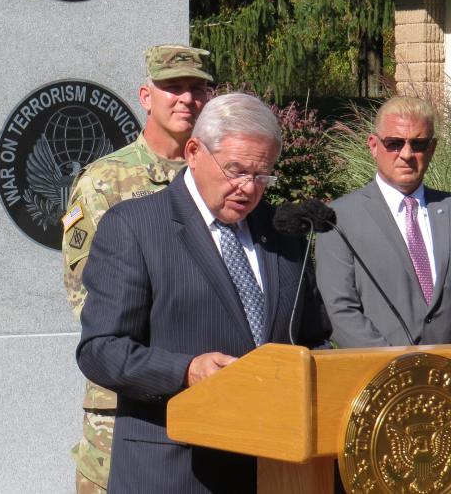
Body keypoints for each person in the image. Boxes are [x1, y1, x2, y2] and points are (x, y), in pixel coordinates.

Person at [76, 93, 330, 493]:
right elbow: (100, 349)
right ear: (194, 151)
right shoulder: (135, 227)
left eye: (263, 176)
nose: (248, 187)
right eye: (236, 170)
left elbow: (313, 337)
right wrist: (186, 371)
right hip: (174, 470)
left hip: (275, 471)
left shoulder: (282, 232)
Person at [62, 44, 212, 493]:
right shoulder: (105, 182)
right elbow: (84, 293)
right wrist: (170, 362)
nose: (187, 99)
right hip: (126, 403)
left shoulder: (219, 176)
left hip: (212, 395)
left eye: (197, 89)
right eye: (173, 88)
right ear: (147, 96)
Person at [316, 96, 451, 347]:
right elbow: (339, 310)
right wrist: (396, 365)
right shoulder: (338, 219)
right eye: (395, 143)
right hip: (381, 375)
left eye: (418, 144)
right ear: (374, 145)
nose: (407, 154)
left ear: (432, 149)